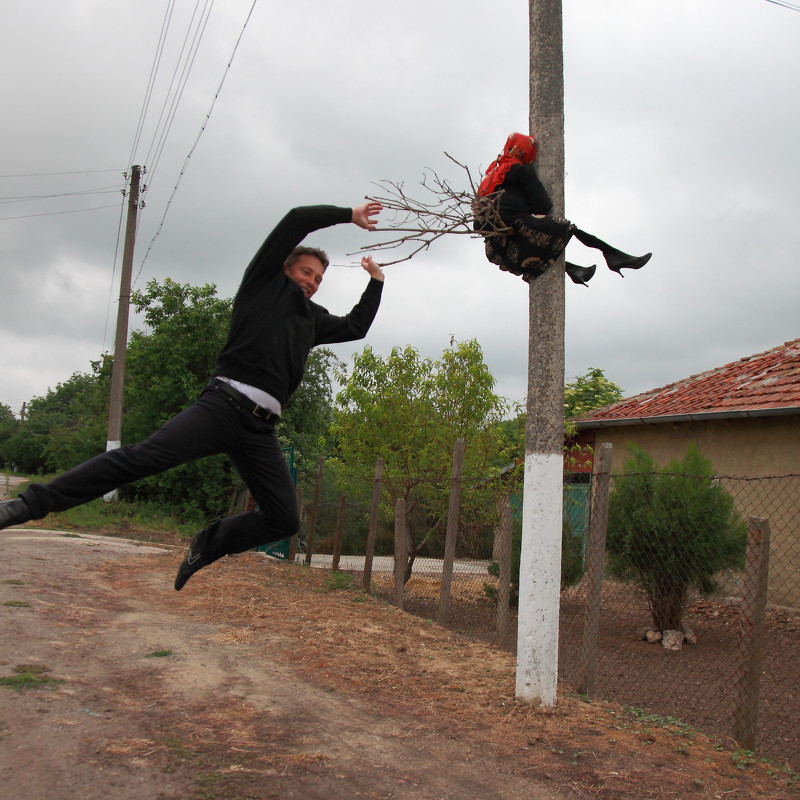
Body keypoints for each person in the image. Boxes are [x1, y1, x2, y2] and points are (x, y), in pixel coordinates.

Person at [0, 201, 385, 591]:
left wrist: (376, 282)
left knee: (284, 519)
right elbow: (297, 220)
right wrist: (348, 215)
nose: (312, 281)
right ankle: (27, 506)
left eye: (319, 279)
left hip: (260, 430)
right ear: (285, 268)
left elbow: (356, 326)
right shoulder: (262, 285)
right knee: (140, 459)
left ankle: (208, 543)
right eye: (306, 272)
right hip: (222, 406)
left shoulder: (313, 318)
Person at [474, 132, 651, 286]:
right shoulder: (520, 170)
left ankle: (575, 270)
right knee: (565, 227)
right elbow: (543, 205)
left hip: (498, 250)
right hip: (520, 230)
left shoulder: (488, 181)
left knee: (539, 245)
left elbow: (477, 224)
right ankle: (612, 256)